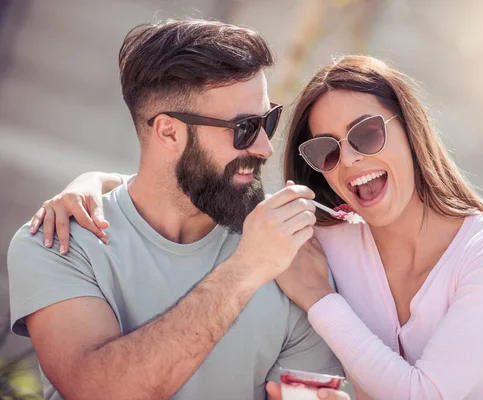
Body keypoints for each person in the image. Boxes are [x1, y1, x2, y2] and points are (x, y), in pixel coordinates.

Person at [26, 57, 483, 399]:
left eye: (367, 134)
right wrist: (90, 183)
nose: (350, 160)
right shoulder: (326, 235)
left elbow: (422, 394)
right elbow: (194, 187)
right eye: (325, 149)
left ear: (411, 129)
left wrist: (317, 298)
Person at [8, 19, 350, 400]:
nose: (265, 148)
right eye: (244, 128)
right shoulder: (59, 243)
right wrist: (246, 269)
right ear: (169, 132)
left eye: (267, 121)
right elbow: (97, 390)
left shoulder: (295, 258)